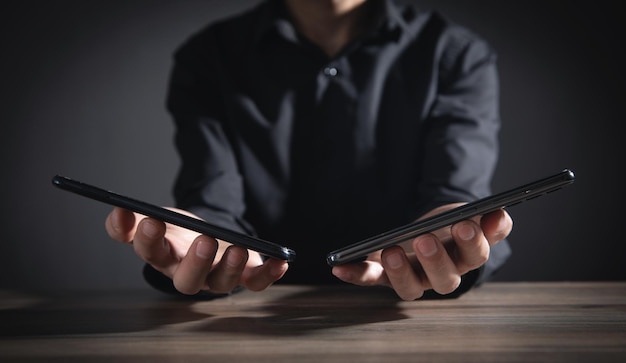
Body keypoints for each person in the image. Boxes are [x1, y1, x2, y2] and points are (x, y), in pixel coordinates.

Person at [105, 0, 513, 301]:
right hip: (247, 318)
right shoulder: (209, 57)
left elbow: (452, 193)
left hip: (413, 318)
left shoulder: (456, 55)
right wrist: (193, 239)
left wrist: (452, 231)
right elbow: (214, 201)